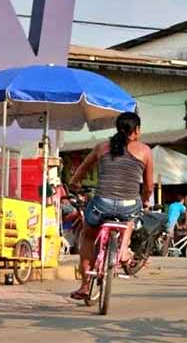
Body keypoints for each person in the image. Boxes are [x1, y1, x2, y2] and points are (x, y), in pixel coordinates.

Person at [68, 112, 154, 301]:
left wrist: (74, 183)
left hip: (102, 204)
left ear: (117, 128)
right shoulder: (145, 151)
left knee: (88, 236)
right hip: (128, 206)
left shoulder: (102, 147)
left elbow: (82, 169)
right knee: (132, 215)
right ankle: (123, 251)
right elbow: (148, 187)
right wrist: (145, 199)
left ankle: (84, 286)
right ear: (137, 131)